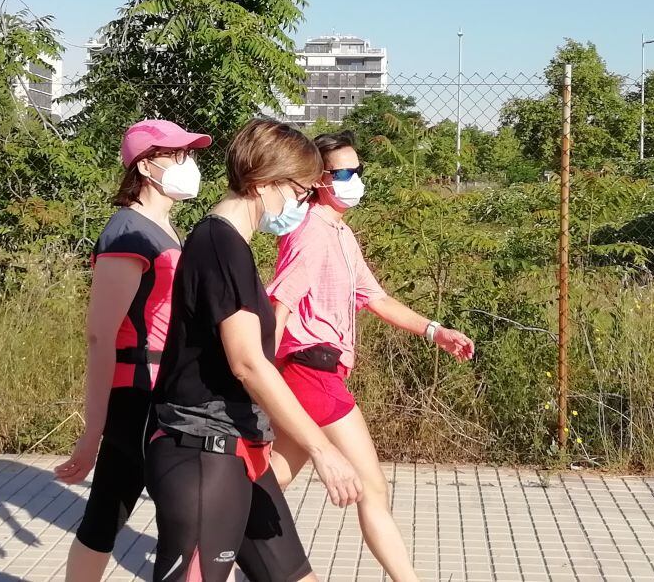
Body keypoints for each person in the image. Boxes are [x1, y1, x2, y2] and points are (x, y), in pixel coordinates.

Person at [146, 119, 363, 582]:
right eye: (300, 191)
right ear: (265, 182)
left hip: (241, 447)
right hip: (204, 450)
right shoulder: (219, 246)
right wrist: (322, 450)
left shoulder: (233, 247)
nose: (301, 202)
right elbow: (248, 363)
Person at [267, 130, 476, 582]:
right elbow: (279, 303)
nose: (354, 180)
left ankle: (209, 523)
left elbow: (375, 298)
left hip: (317, 372)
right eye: (343, 173)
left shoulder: (339, 233)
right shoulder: (311, 231)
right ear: (318, 179)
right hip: (312, 370)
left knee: (271, 478)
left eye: (357, 170)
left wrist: (435, 331)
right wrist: (259, 375)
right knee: (373, 487)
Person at [54, 119, 211, 582]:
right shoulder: (127, 233)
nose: (188, 163)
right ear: (145, 166)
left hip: (161, 389)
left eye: (189, 154)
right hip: (141, 393)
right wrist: (92, 433)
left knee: (105, 514)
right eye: (176, 154)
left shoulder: (161, 228)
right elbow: (101, 335)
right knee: (191, 517)